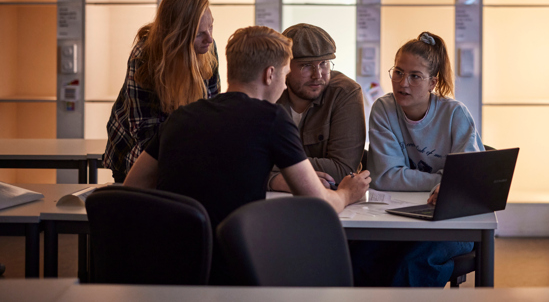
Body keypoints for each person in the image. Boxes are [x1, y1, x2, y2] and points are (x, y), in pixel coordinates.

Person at [124, 25, 371, 284]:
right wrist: (346, 193)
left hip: (166, 266)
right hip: (232, 268)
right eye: (287, 72)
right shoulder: (271, 119)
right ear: (270, 74)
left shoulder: (180, 118)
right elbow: (319, 204)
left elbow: (133, 187)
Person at [353, 31, 484, 287]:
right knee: (360, 256)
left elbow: (468, 182)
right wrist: (441, 181)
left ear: (433, 82)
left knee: (416, 263)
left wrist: (448, 185)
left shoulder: (455, 114)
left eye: (415, 76)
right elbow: (384, 177)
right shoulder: (384, 109)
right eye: (398, 72)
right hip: (399, 214)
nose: (403, 83)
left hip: (452, 219)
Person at [104, 0, 220, 183]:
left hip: (182, 148)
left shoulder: (207, 49)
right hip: (135, 152)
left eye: (211, 27)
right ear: (178, 35)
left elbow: (213, 111)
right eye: (200, 33)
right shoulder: (145, 55)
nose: (209, 38)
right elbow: (145, 133)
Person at [268, 23, 366, 192]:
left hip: (334, 200)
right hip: (274, 198)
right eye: (306, 66)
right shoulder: (269, 91)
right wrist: (276, 181)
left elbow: (343, 170)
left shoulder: (345, 93)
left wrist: (271, 167)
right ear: (285, 65)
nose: (317, 75)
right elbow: (243, 162)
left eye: (323, 64)